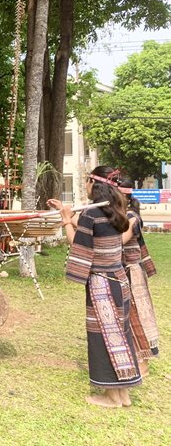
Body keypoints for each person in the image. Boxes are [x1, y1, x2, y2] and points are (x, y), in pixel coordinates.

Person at [48, 166, 142, 408]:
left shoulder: (92, 214)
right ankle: (123, 395)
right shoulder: (117, 210)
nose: (86, 186)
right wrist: (65, 211)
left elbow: (77, 243)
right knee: (120, 335)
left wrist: (66, 220)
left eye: (87, 181)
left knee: (103, 338)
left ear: (94, 184)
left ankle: (111, 397)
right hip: (119, 281)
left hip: (102, 285)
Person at [119, 179, 159, 377]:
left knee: (137, 318)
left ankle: (142, 364)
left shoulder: (132, 217)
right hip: (122, 273)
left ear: (124, 196)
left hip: (132, 274)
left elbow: (120, 240)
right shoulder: (119, 216)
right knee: (125, 318)